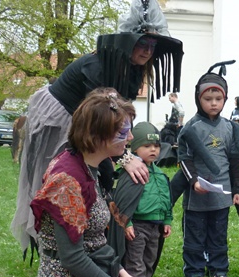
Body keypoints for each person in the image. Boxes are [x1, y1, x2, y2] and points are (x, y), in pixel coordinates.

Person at [11, 0, 184, 256]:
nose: (147, 51)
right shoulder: (99, 67)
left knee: (100, 174)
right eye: (141, 43)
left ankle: (95, 242)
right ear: (127, 42)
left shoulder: (133, 68)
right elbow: (102, 119)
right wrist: (125, 158)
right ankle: (57, 247)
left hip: (91, 118)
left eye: (152, 45)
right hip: (60, 118)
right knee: (65, 177)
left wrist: (126, 150)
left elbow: (121, 115)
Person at [29, 91, 173, 277]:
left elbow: (95, 242)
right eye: (123, 132)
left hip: (95, 272)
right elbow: (72, 259)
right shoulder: (67, 179)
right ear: (97, 136)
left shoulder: (95, 166)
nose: (130, 138)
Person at [177, 62, 239, 277]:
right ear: (199, 99)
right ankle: (194, 270)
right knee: (195, 233)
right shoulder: (191, 128)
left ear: (225, 100)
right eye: (208, 99)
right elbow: (184, 159)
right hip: (197, 196)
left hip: (221, 194)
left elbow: (236, 161)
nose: (213, 103)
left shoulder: (230, 128)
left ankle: (218, 268)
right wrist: (194, 180)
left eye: (218, 99)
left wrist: (238, 190)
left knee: (218, 233)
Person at [110, 122, 173, 277]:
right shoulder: (128, 173)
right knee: (135, 260)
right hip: (138, 226)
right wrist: (127, 223)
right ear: (135, 148)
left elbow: (166, 199)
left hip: (155, 226)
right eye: (147, 145)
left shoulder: (160, 174)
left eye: (156, 146)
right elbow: (122, 201)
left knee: (150, 258)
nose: (153, 149)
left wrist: (167, 220)